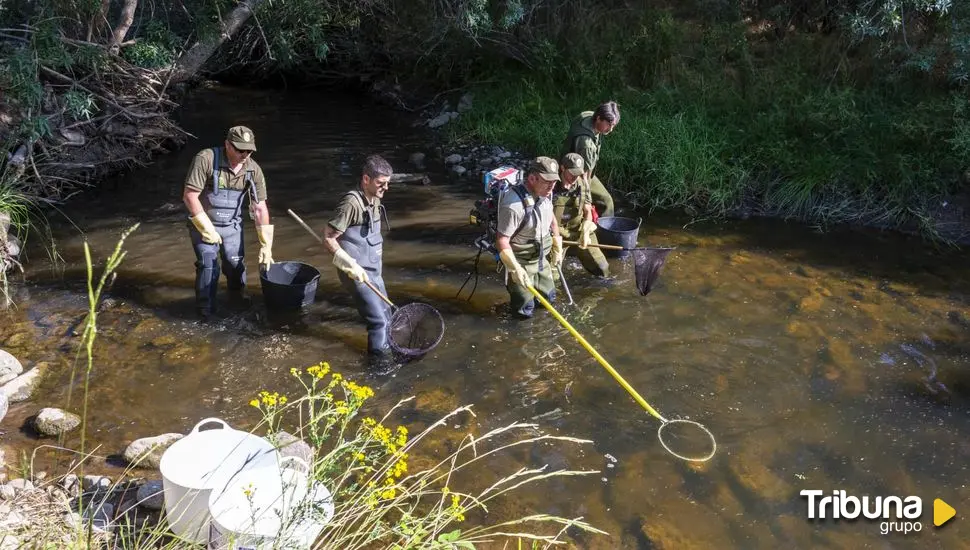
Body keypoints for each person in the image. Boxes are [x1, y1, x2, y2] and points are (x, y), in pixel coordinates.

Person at [183, 125, 274, 320]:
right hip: (203, 223)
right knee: (209, 265)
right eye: (240, 150)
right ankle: (205, 313)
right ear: (227, 145)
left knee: (235, 267)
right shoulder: (206, 159)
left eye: (249, 150)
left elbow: (260, 208)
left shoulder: (253, 170)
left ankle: (237, 303)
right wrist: (206, 228)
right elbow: (190, 196)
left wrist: (266, 245)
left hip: (232, 226)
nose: (245, 154)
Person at [323, 154, 394, 365]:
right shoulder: (350, 204)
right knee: (379, 322)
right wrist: (349, 264)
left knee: (388, 314)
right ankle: (378, 368)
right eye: (381, 183)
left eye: (387, 183)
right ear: (366, 179)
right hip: (355, 272)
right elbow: (328, 236)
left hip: (374, 271)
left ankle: (390, 353)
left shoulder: (376, 198)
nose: (385, 188)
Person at [496, 156, 563, 318]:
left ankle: (544, 333)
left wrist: (557, 241)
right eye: (547, 181)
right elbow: (501, 240)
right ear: (532, 178)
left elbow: (550, 216)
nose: (552, 186)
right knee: (524, 311)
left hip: (541, 260)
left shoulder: (546, 193)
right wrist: (515, 268)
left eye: (554, 182)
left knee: (549, 299)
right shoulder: (514, 206)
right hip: (521, 262)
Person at [552, 153, 609, 278]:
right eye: (572, 173)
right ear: (562, 168)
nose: (575, 177)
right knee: (552, 277)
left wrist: (586, 229)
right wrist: (558, 240)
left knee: (602, 267)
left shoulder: (582, 184)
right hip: (556, 235)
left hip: (578, 231)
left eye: (578, 173)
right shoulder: (551, 186)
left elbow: (588, 209)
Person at [560, 101, 620, 218]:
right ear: (598, 118)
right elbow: (584, 176)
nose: (611, 129)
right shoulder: (586, 144)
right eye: (608, 125)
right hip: (574, 173)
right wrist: (587, 200)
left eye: (613, 125)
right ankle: (602, 232)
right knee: (606, 202)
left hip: (567, 162)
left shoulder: (587, 116)